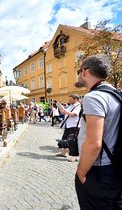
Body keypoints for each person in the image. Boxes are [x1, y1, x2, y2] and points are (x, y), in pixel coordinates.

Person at [75, 55, 122, 209]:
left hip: (99, 171)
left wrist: (81, 172)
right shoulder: (116, 95)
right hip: (115, 166)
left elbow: (94, 143)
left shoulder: (93, 97)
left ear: (84, 72)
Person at [56, 94, 81, 162]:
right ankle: (63, 153)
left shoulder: (78, 106)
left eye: (70, 99)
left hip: (75, 126)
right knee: (64, 139)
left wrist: (64, 109)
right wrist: (60, 107)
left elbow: (72, 114)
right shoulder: (71, 105)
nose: (69, 100)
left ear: (75, 99)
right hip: (68, 125)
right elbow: (63, 112)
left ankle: (75, 156)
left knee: (72, 141)